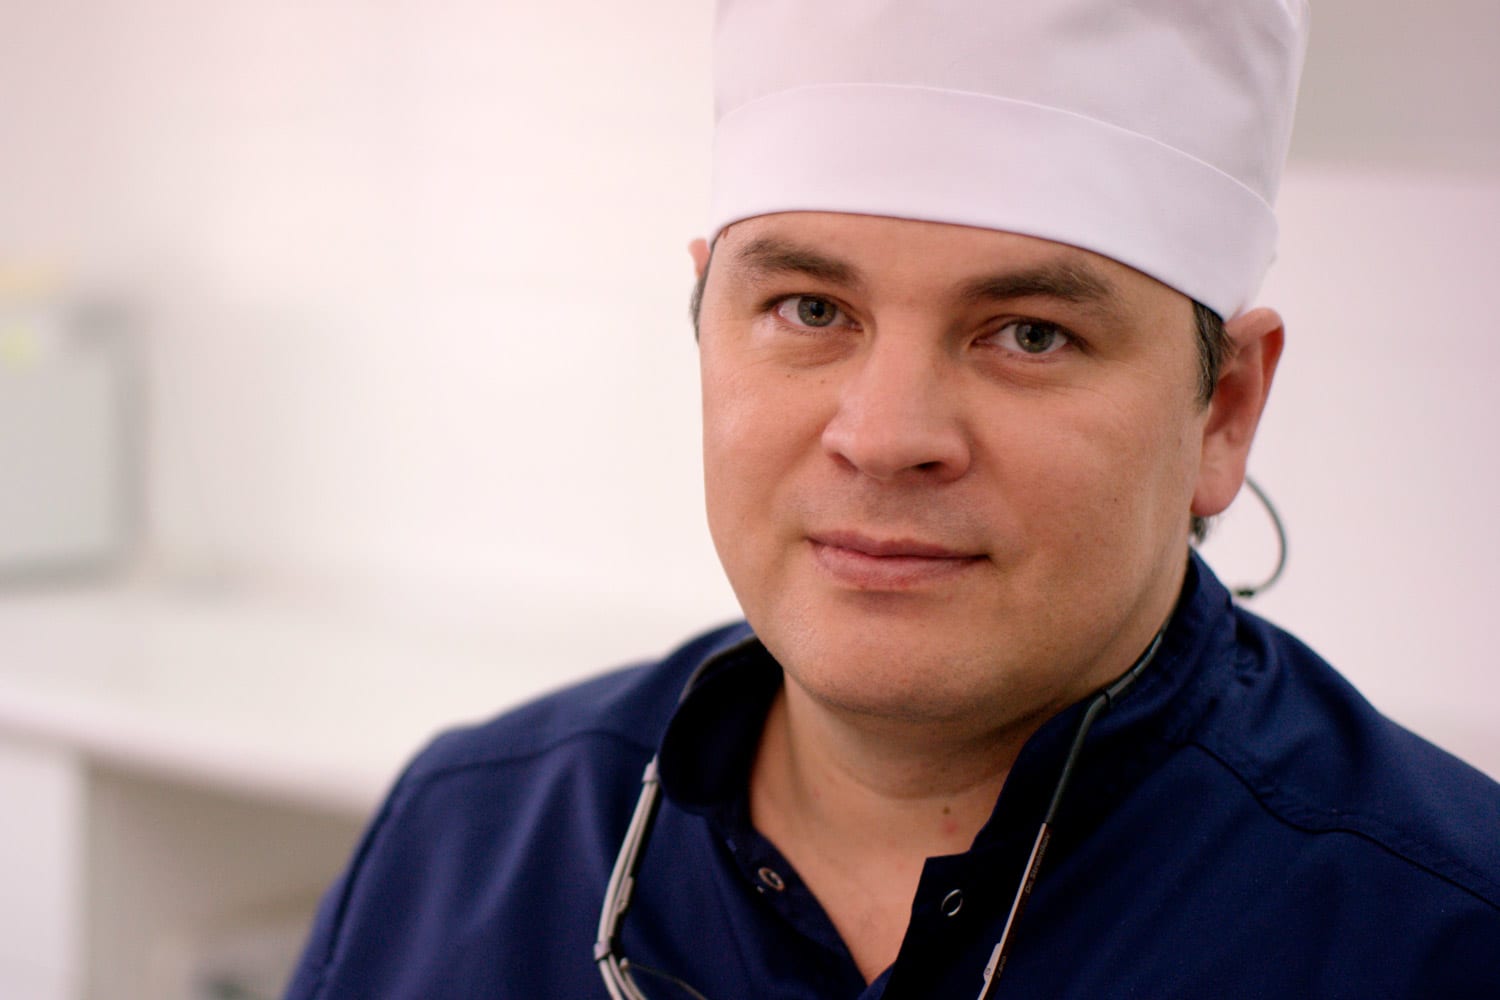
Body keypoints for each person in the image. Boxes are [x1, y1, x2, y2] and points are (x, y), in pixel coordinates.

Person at [286, 1, 1500, 997]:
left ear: (1222, 409)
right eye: (811, 310)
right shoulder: (467, 839)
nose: (884, 438)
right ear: (704, 325)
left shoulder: (1442, 935)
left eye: (1029, 332)